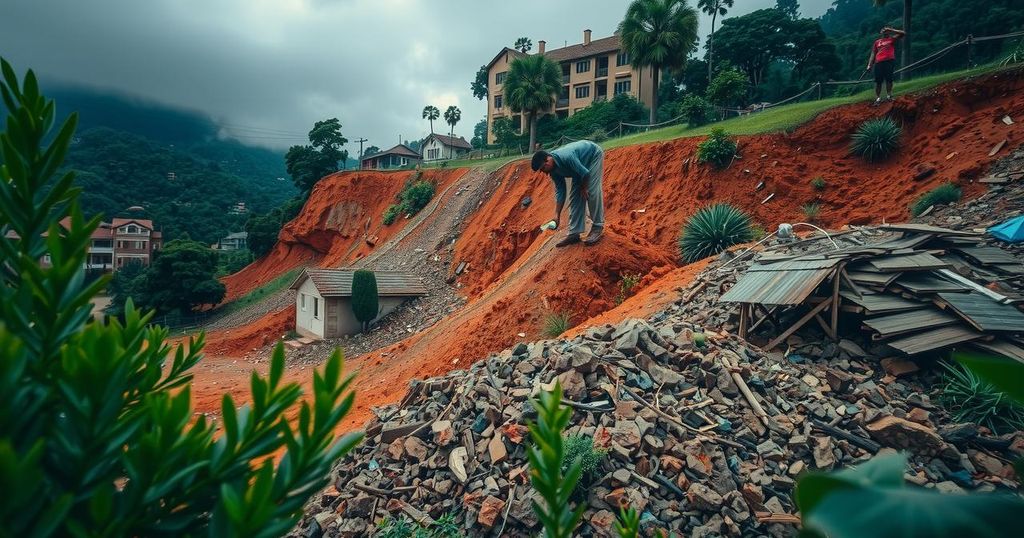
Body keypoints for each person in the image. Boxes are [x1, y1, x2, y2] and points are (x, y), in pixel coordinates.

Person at [531, 140, 605, 247]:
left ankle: (597, 227)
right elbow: (561, 191)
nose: (544, 172)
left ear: (548, 160)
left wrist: (584, 188)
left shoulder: (567, 157)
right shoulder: (553, 171)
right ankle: (574, 233)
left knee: (591, 192)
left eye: (543, 168)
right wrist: (557, 216)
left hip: (592, 155)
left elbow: (585, 173)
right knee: (575, 197)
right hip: (579, 165)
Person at [867, 26, 907, 106]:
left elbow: (903, 33)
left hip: (889, 61)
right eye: (884, 30)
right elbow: (873, 53)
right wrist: (869, 65)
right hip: (878, 62)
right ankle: (878, 98)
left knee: (889, 79)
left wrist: (891, 30)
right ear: (881, 32)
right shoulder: (877, 42)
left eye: (886, 30)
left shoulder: (892, 39)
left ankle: (889, 95)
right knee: (878, 81)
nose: (885, 31)